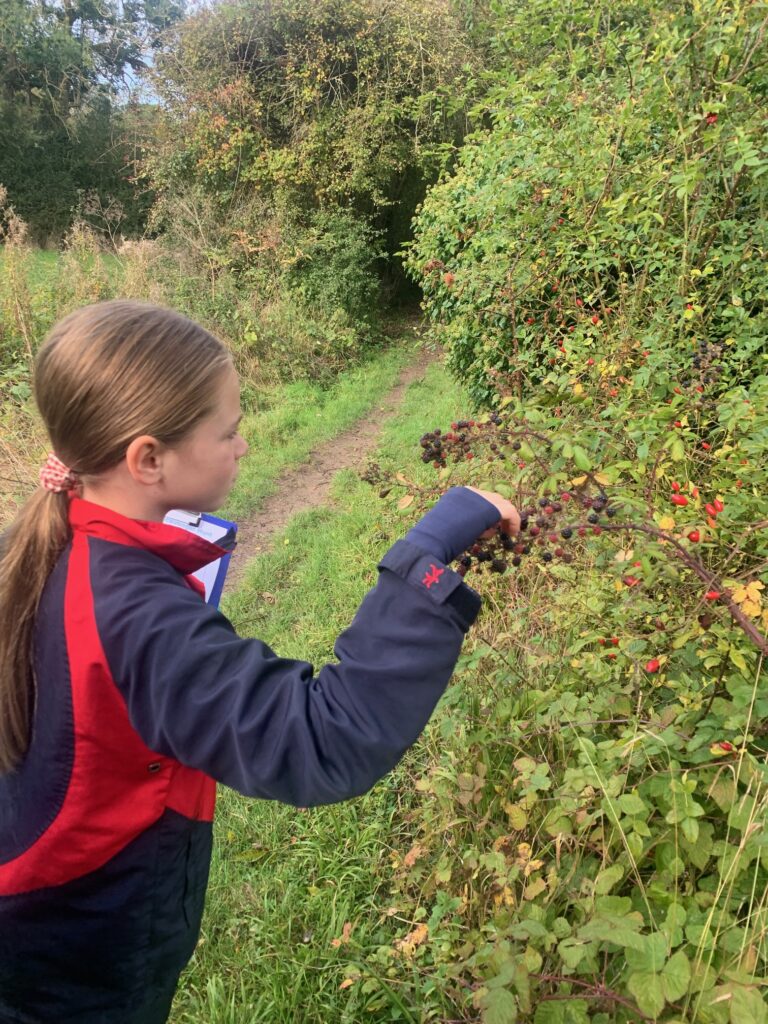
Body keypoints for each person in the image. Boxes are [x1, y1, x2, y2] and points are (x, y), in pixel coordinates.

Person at [0, 300, 519, 1024]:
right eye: (230, 430)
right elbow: (322, 736)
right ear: (147, 458)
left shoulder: (49, 546)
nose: (243, 446)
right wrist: (428, 553)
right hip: (85, 957)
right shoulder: (136, 616)